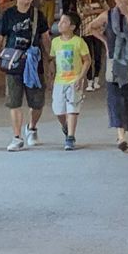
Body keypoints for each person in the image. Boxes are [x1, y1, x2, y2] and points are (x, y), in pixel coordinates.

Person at [0, 0, 50, 151]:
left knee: (37, 102)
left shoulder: (38, 15)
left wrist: (51, 58)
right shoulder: (8, 15)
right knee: (14, 101)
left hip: (34, 64)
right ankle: (17, 137)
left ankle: (32, 127)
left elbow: (45, 38)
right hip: (13, 63)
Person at [87, 0, 128, 151]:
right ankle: (121, 136)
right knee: (115, 97)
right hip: (114, 61)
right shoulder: (108, 14)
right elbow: (91, 27)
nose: (123, 0)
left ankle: (123, 131)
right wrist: (105, 41)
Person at [49, 12, 91, 150]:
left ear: (72, 27)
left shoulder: (79, 42)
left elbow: (87, 60)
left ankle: (70, 137)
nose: (60, 24)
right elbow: (52, 60)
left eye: (64, 22)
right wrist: (51, 75)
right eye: (60, 21)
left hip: (74, 80)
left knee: (73, 108)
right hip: (59, 81)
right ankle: (65, 126)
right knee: (59, 110)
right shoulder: (55, 42)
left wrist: (81, 77)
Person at [77, 0, 108, 91]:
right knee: (88, 56)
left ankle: (96, 79)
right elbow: (81, 14)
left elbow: (107, 10)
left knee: (98, 55)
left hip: (98, 31)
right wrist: (96, 11)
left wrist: (92, 11)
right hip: (85, 30)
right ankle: (89, 80)